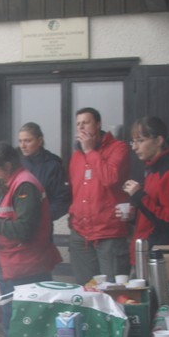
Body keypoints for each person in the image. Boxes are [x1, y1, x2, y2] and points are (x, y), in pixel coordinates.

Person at [0, 141, 62, 334]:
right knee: (13, 323)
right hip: (11, 265)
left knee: (25, 328)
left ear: (7, 167)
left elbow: (25, 228)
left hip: (26, 269)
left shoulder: (25, 185)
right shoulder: (6, 184)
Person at [68, 107, 131, 285]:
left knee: (113, 290)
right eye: (78, 124)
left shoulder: (118, 148)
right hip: (80, 233)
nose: (81, 128)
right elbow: (76, 190)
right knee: (86, 289)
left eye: (86, 123)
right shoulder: (76, 156)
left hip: (108, 233)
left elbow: (111, 179)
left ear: (98, 124)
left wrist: (90, 152)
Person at [120, 116, 169, 265]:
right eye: (133, 141)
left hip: (156, 258)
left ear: (158, 141)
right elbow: (152, 213)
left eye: (140, 141)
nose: (134, 147)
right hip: (143, 252)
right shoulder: (152, 170)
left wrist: (139, 196)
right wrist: (132, 216)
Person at [18, 122, 71, 224]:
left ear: (39, 140)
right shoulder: (16, 162)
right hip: (16, 225)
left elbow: (62, 200)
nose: (22, 146)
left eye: (27, 141)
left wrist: (42, 218)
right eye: (20, 141)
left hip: (41, 226)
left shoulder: (53, 165)